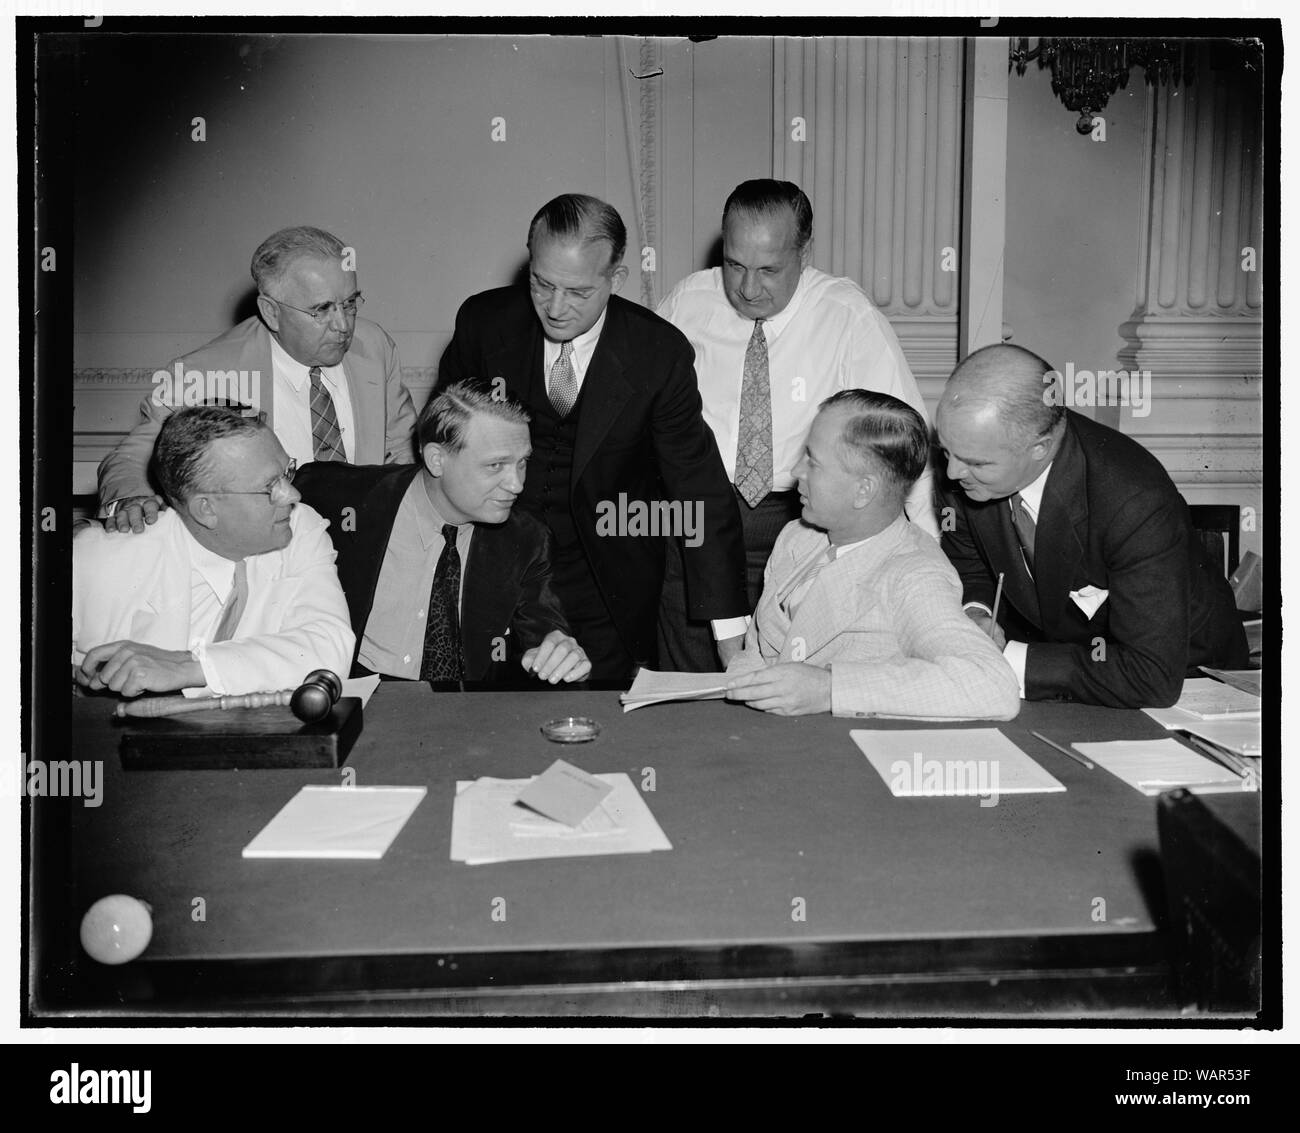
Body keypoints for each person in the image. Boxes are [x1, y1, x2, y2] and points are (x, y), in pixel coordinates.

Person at [437, 193, 748, 681]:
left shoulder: (656, 353)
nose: (556, 308)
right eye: (542, 284)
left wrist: (731, 638)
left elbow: (698, 490)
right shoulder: (483, 323)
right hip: (492, 567)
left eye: (578, 292)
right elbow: (443, 449)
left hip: (606, 581)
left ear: (616, 279)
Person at [657, 178, 937, 670]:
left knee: (789, 684)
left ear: (804, 253)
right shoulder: (687, 303)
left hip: (803, 522)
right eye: (734, 265)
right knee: (691, 686)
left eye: (769, 270)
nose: (747, 288)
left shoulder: (848, 316)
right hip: (698, 520)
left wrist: (927, 558)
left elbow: (900, 443)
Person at [935, 343, 1249, 708]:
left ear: (1041, 447)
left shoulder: (1134, 499)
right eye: (945, 451)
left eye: (974, 462)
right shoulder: (966, 465)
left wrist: (1011, 659)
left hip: (1190, 681)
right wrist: (978, 613)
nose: (952, 473)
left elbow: (1151, 676)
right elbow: (975, 567)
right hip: (1073, 672)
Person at [97, 225, 418, 532]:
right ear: (271, 312)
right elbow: (131, 457)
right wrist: (129, 497)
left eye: (349, 304)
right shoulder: (205, 373)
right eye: (322, 309)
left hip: (365, 536)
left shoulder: (374, 347)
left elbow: (401, 449)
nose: (343, 325)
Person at [725, 391, 1019, 719]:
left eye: (813, 462)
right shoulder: (797, 536)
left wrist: (831, 689)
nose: (796, 470)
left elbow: (991, 686)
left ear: (864, 489)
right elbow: (759, 652)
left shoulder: (915, 574)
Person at [295, 381, 590, 685]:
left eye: (522, 463)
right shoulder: (336, 497)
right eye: (495, 465)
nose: (516, 484)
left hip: (463, 714)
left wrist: (558, 651)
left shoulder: (525, 538)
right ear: (437, 459)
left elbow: (544, 630)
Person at [73, 406, 354, 698]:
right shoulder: (97, 560)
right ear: (206, 509)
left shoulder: (299, 525)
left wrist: (192, 666)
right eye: (269, 486)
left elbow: (331, 648)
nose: (293, 495)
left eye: (286, 473)